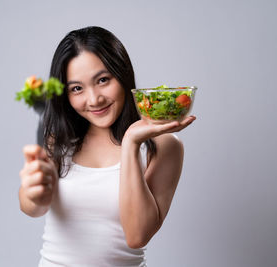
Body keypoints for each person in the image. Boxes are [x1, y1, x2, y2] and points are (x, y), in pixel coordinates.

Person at [18, 26, 196, 266]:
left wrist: (131, 143)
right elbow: (33, 208)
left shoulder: (163, 146)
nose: (94, 100)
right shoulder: (59, 139)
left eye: (103, 80)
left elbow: (137, 235)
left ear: (122, 75)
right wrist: (33, 193)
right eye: (77, 88)